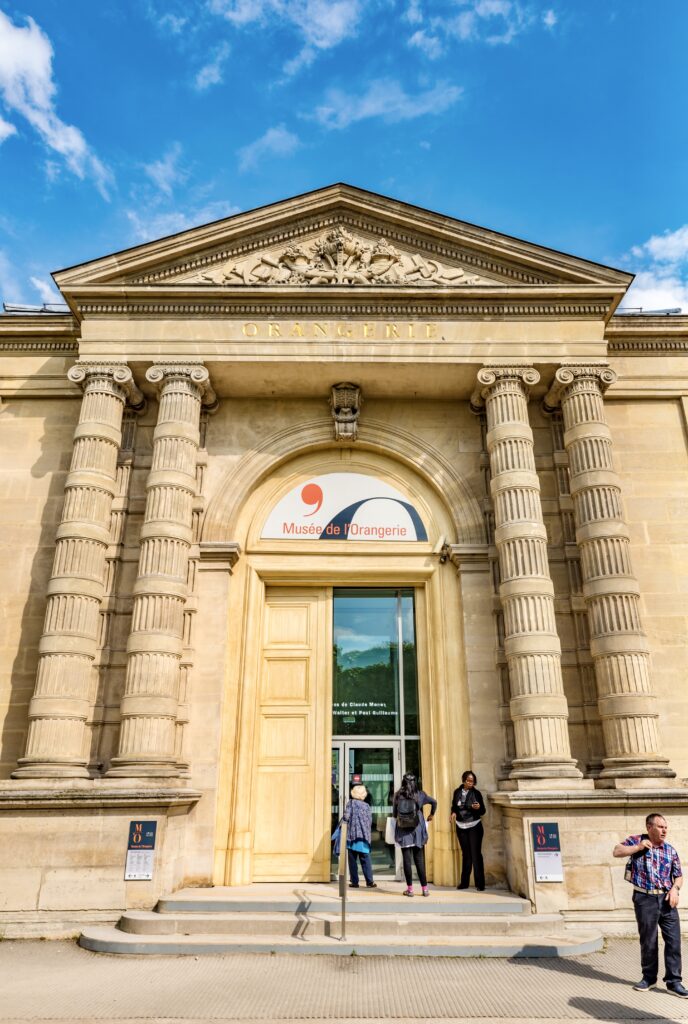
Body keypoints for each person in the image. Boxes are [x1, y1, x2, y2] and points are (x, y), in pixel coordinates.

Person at [613, 812, 688, 997]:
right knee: (649, 941)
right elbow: (617, 851)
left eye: (666, 827)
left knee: (673, 940)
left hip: (667, 899)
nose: (664, 830)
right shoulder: (637, 841)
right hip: (644, 899)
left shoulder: (670, 850)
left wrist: (675, 889)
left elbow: (678, 875)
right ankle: (649, 978)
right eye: (660, 826)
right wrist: (638, 847)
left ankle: (674, 981)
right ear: (649, 827)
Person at [392, 772, 436, 897]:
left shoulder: (397, 795)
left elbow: (395, 815)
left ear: (403, 782)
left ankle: (410, 890)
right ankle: (425, 889)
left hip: (403, 829)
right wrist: (431, 814)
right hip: (417, 829)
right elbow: (434, 802)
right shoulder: (420, 794)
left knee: (406, 860)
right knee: (419, 860)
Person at [451, 769, 487, 891]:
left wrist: (478, 807)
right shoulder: (457, 792)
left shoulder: (476, 794)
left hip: (474, 826)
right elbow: (454, 806)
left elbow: (483, 811)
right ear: (464, 780)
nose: (470, 783)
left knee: (476, 855)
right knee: (466, 855)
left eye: (472, 781)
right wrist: (453, 813)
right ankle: (464, 882)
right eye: (468, 780)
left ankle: (480, 884)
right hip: (461, 826)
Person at [343, 784, 377, 889]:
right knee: (366, 859)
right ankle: (370, 882)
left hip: (352, 837)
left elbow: (346, 818)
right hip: (364, 836)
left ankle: (355, 882)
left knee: (353, 860)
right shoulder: (366, 806)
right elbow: (370, 821)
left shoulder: (351, 804)